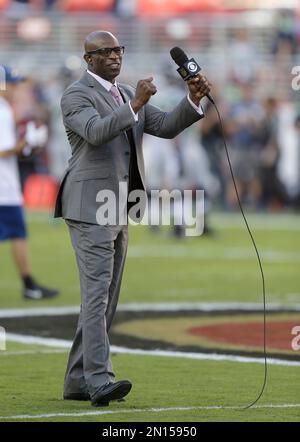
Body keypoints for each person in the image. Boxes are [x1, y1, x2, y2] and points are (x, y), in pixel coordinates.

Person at [54, 30, 211, 407]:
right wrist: (136, 104)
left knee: (105, 298)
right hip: (89, 204)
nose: (114, 56)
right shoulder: (76, 95)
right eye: (104, 51)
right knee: (96, 295)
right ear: (88, 59)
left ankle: (77, 379)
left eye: (118, 49)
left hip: (119, 204)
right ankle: (98, 379)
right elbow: (95, 133)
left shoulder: (123, 94)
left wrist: (192, 99)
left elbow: (167, 127)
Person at [0, 66, 59, 300]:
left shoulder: (5, 109)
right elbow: (3, 151)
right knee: (18, 234)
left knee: (18, 234)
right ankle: (29, 285)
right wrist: (27, 142)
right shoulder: (2, 109)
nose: (15, 88)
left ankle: (29, 283)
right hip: (3, 188)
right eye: (12, 83)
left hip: (5, 184)